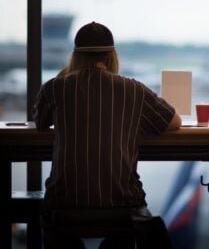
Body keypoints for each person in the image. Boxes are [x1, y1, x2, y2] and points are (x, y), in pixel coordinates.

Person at [33, 21, 182, 248]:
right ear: (112, 56)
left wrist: (68, 74)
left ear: (75, 57)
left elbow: (40, 122)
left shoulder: (55, 88)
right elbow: (174, 122)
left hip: (63, 205)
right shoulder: (134, 89)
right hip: (124, 206)